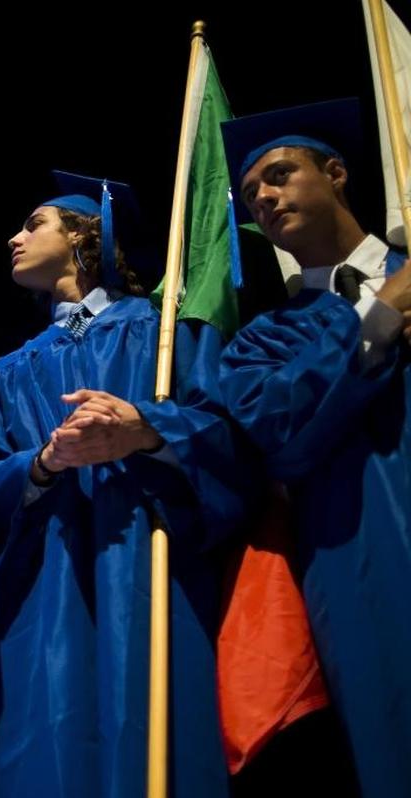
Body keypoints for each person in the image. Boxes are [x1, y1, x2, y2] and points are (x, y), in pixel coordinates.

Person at [0, 172, 246, 797]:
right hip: (45, 584)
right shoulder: (2, 374)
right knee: (46, 746)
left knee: (155, 730)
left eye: (34, 224)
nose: (14, 237)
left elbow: (229, 429)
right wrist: (40, 463)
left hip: (147, 561)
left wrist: (146, 427)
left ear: (82, 233)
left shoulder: (162, 332)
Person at [219, 99, 411, 797]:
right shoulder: (262, 341)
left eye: (278, 176)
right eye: (250, 195)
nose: (263, 199)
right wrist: (381, 316)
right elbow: (280, 440)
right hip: (357, 557)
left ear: (335, 173)